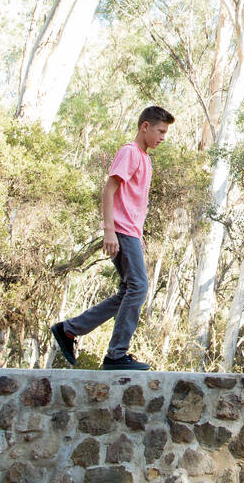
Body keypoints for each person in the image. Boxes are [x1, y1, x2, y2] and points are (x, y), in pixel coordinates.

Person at [51, 105, 174, 370]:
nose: (162, 137)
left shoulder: (146, 159)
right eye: (160, 131)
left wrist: (137, 236)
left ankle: (69, 330)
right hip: (121, 230)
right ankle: (116, 355)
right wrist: (110, 230)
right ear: (145, 126)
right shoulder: (129, 153)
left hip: (131, 233)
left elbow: (135, 203)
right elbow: (109, 191)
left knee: (129, 290)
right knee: (139, 287)